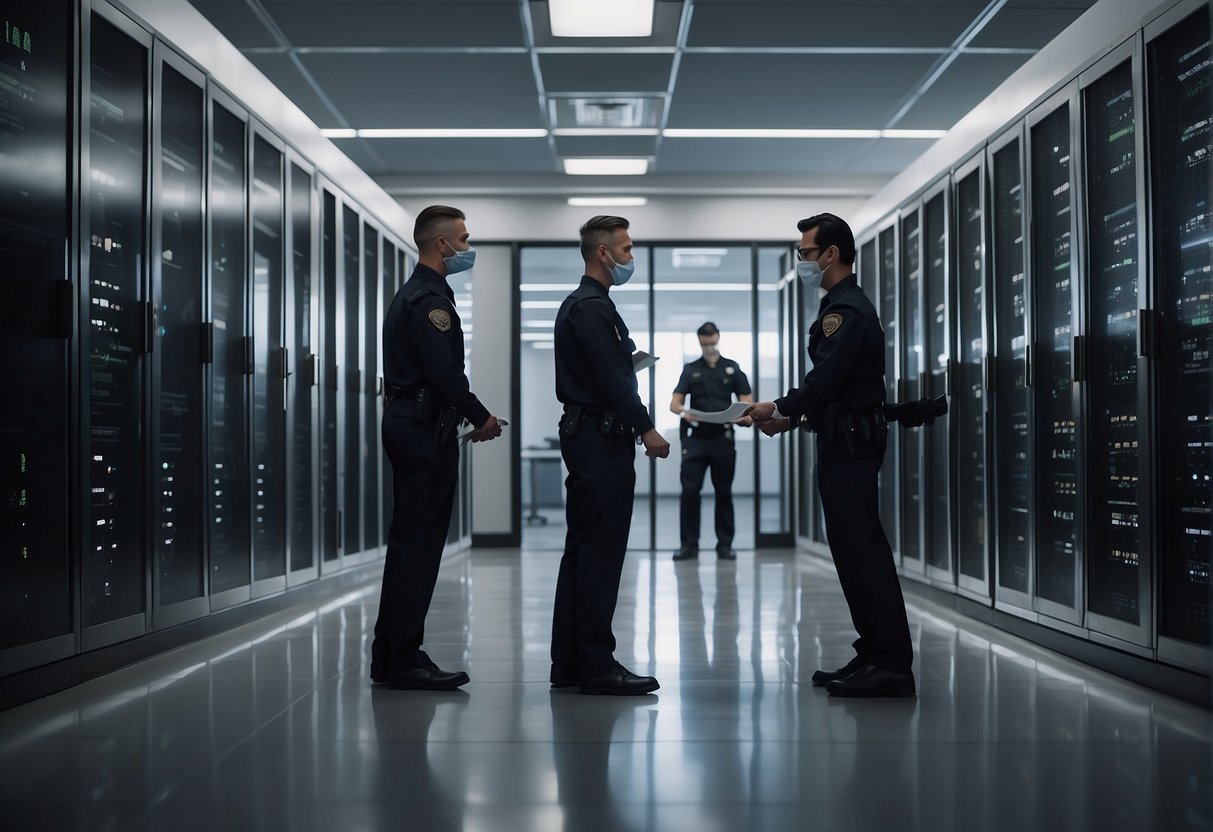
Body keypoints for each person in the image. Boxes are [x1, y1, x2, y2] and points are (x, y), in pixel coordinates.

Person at [744, 212, 915, 698]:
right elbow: (835, 390)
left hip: (853, 446)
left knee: (864, 552)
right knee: (851, 552)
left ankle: (892, 664)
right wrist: (792, 417)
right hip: (841, 438)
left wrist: (779, 405)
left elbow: (827, 379)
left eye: (805, 253)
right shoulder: (837, 307)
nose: (802, 262)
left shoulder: (848, 310)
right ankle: (874, 652)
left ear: (831, 254)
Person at [371, 205, 503, 691]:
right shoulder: (429, 300)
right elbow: (444, 373)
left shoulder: (415, 293)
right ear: (441, 243)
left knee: (409, 543)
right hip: (424, 428)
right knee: (419, 547)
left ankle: (390, 656)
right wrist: (481, 417)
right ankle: (404, 659)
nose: (468, 249)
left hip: (413, 422)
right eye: (464, 240)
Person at [551, 215, 671, 695]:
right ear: (602, 253)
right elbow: (612, 378)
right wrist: (646, 428)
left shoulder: (582, 306)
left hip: (588, 436)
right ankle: (598, 665)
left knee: (581, 552)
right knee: (599, 554)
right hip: (601, 441)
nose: (630, 257)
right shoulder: (594, 308)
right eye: (625, 249)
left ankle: (571, 663)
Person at [670, 322, 753, 561]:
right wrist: (684, 412)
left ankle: (725, 545)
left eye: (712, 342)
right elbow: (674, 404)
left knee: (723, 492)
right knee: (690, 491)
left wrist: (743, 416)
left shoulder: (732, 368)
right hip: (696, 439)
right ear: (699, 342)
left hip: (722, 438)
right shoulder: (690, 369)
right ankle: (689, 546)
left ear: (718, 338)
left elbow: (747, 401)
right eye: (704, 343)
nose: (709, 347)